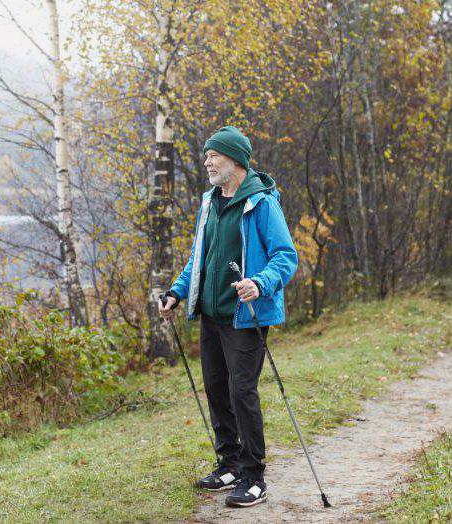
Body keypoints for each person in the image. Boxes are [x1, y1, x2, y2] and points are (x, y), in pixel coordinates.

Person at [158, 126, 298, 508]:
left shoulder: (261, 202)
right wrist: (176, 292)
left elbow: (285, 256)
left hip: (246, 316)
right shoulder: (210, 202)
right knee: (217, 388)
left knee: (241, 392)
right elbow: (199, 258)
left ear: (235, 159)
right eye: (206, 155)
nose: (207, 162)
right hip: (212, 313)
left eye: (213, 155)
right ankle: (230, 464)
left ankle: (254, 476)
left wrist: (260, 283)